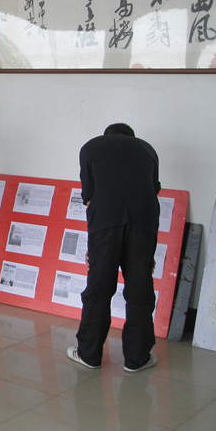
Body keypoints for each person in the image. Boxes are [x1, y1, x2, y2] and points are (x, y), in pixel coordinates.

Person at [67, 123, 161, 373]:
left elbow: (89, 195)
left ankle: (89, 354)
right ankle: (137, 358)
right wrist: (147, 254)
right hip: (144, 223)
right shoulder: (147, 149)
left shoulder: (91, 147)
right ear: (131, 137)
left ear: (107, 135)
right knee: (140, 289)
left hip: (106, 222)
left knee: (99, 287)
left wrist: (96, 247)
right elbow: (154, 189)